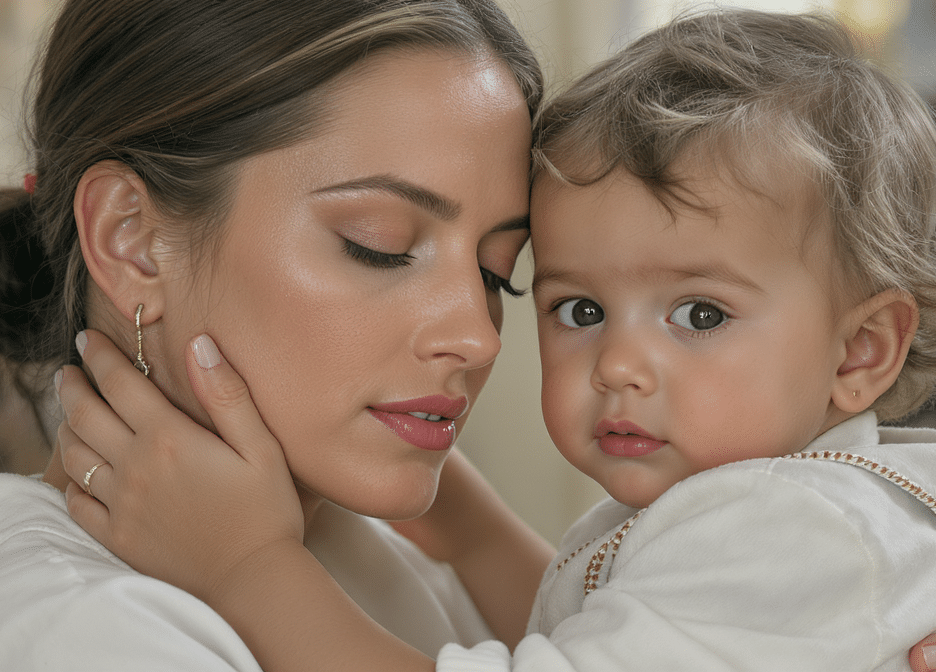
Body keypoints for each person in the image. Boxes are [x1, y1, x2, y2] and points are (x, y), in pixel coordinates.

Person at [55, 7, 936, 672]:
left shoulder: (794, 528)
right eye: (578, 310)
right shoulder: (70, 618)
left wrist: (247, 565)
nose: (479, 340)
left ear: (861, 352)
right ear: (129, 236)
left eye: (700, 315)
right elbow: (580, 638)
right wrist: (468, 527)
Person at [0, 0, 556, 668]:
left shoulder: (395, 551)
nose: (480, 338)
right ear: (133, 242)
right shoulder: (83, 632)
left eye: (496, 273)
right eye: (377, 247)